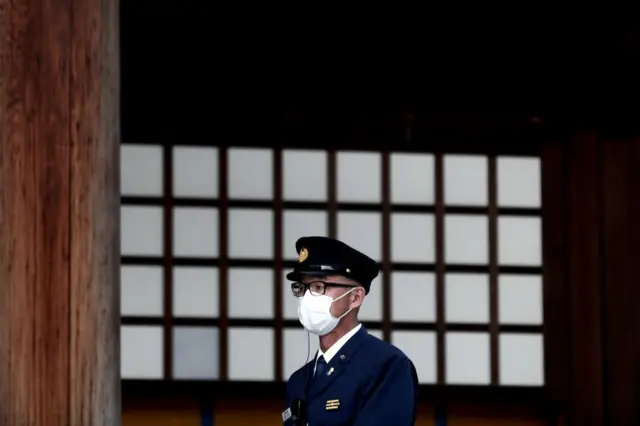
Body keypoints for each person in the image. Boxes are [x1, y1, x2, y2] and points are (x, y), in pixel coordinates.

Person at [282, 236, 419, 426]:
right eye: (302, 288)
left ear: (355, 297)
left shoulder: (386, 366)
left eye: (319, 287)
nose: (307, 297)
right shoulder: (299, 380)